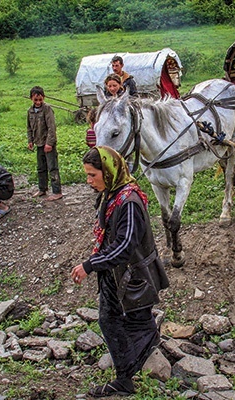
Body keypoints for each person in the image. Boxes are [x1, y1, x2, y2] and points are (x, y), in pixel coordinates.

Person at [71, 146, 168, 398]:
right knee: (121, 319)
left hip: (131, 276)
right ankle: (135, 363)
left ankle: (126, 377)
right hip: (115, 273)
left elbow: (124, 247)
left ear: (109, 171)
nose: (89, 180)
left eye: (93, 175)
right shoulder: (112, 194)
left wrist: (90, 265)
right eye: (87, 175)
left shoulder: (129, 202)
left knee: (118, 320)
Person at [27, 86, 63, 201]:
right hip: (38, 143)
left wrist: (49, 143)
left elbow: (51, 128)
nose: (38, 102)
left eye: (40, 100)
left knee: (52, 167)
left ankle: (57, 191)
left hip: (48, 144)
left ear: (44, 98)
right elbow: (29, 128)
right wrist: (30, 141)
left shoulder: (47, 109)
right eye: (35, 100)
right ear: (31, 99)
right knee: (41, 168)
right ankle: (42, 189)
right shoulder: (30, 111)